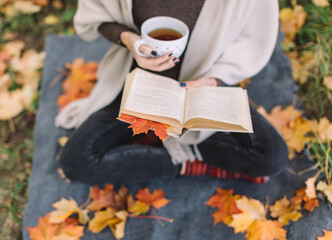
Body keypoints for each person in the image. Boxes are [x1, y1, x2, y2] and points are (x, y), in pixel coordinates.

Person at [57, 0, 289, 186]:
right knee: (77, 161)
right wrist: (132, 42)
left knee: (272, 155)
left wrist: (214, 80)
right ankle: (188, 159)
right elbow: (98, 13)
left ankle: (163, 142)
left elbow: (253, 37)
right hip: (136, 86)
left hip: (202, 84)